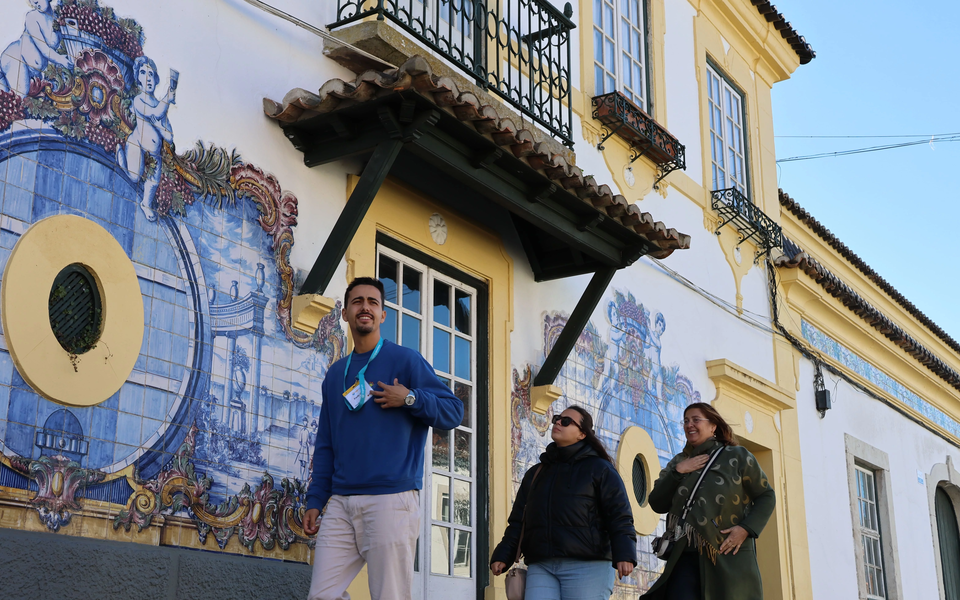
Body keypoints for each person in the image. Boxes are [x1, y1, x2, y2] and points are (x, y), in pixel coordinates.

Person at [303, 276, 464, 600]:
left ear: (382, 315)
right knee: (322, 595)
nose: (365, 307)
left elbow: (454, 411)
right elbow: (326, 443)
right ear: (345, 313)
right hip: (341, 502)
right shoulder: (336, 374)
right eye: (357, 301)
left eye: (373, 302)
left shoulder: (405, 361)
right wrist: (316, 499)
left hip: (391, 499)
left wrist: (411, 399)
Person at [490, 405, 637, 600]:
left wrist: (625, 553)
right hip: (541, 565)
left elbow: (619, 514)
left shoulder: (600, 469)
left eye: (566, 421)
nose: (558, 422)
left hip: (588, 566)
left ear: (582, 434)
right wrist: (504, 554)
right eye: (557, 418)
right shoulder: (536, 473)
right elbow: (519, 520)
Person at [641, 402, 775, 600]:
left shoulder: (737, 456)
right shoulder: (679, 462)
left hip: (727, 554)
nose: (689, 425)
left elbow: (766, 495)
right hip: (684, 554)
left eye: (696, 420)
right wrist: (679, 472)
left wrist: (746, 528)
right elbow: (657, 503)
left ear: (713, 426)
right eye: (686, 421)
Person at [117, 56, 176, 222]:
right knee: (135, 177)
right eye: (143, 73)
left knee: (154, 180)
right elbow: (155, 113)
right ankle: (122, 161)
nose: (148, 78)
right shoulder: (139, 100)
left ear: (156, 79)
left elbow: (169, 136)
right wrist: (168, 99)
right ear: (138, 78)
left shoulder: (158, 104)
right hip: (136, 143)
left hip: (154, 153)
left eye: (151, 74)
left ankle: (146, 204)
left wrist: (159, 126)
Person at [0, 0, 71, 96]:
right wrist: (61, 60)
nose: (35, 2)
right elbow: (44, 49)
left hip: (33, 71)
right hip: (16, 58)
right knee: (20, 97)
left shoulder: (58, 16)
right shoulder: (32, 17)